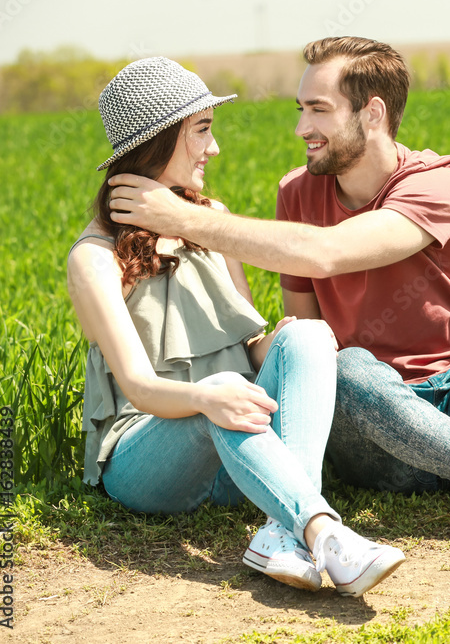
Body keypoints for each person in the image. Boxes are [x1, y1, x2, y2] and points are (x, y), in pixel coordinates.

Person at [106, 39, 450, 572]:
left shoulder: (441, 183)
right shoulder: (297, 195)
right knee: (343, 363)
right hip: (369, 434)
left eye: (319, 110)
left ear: (372, 113)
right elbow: (307, 331)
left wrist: (186, 219)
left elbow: (328, 253)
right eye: (301, 109)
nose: (302, 128)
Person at [67, 56, 405, 597]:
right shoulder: (94, 258)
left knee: (307, 333)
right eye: (201, 130)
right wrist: (207, 398)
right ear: (156, 142)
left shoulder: (211, 220)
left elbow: (249, 348)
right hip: (147, 462)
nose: (214, 146)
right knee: (224, 389)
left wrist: (297, 345)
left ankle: (281, 531)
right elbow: (137, 387)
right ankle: (323, 533)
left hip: (238, 454)